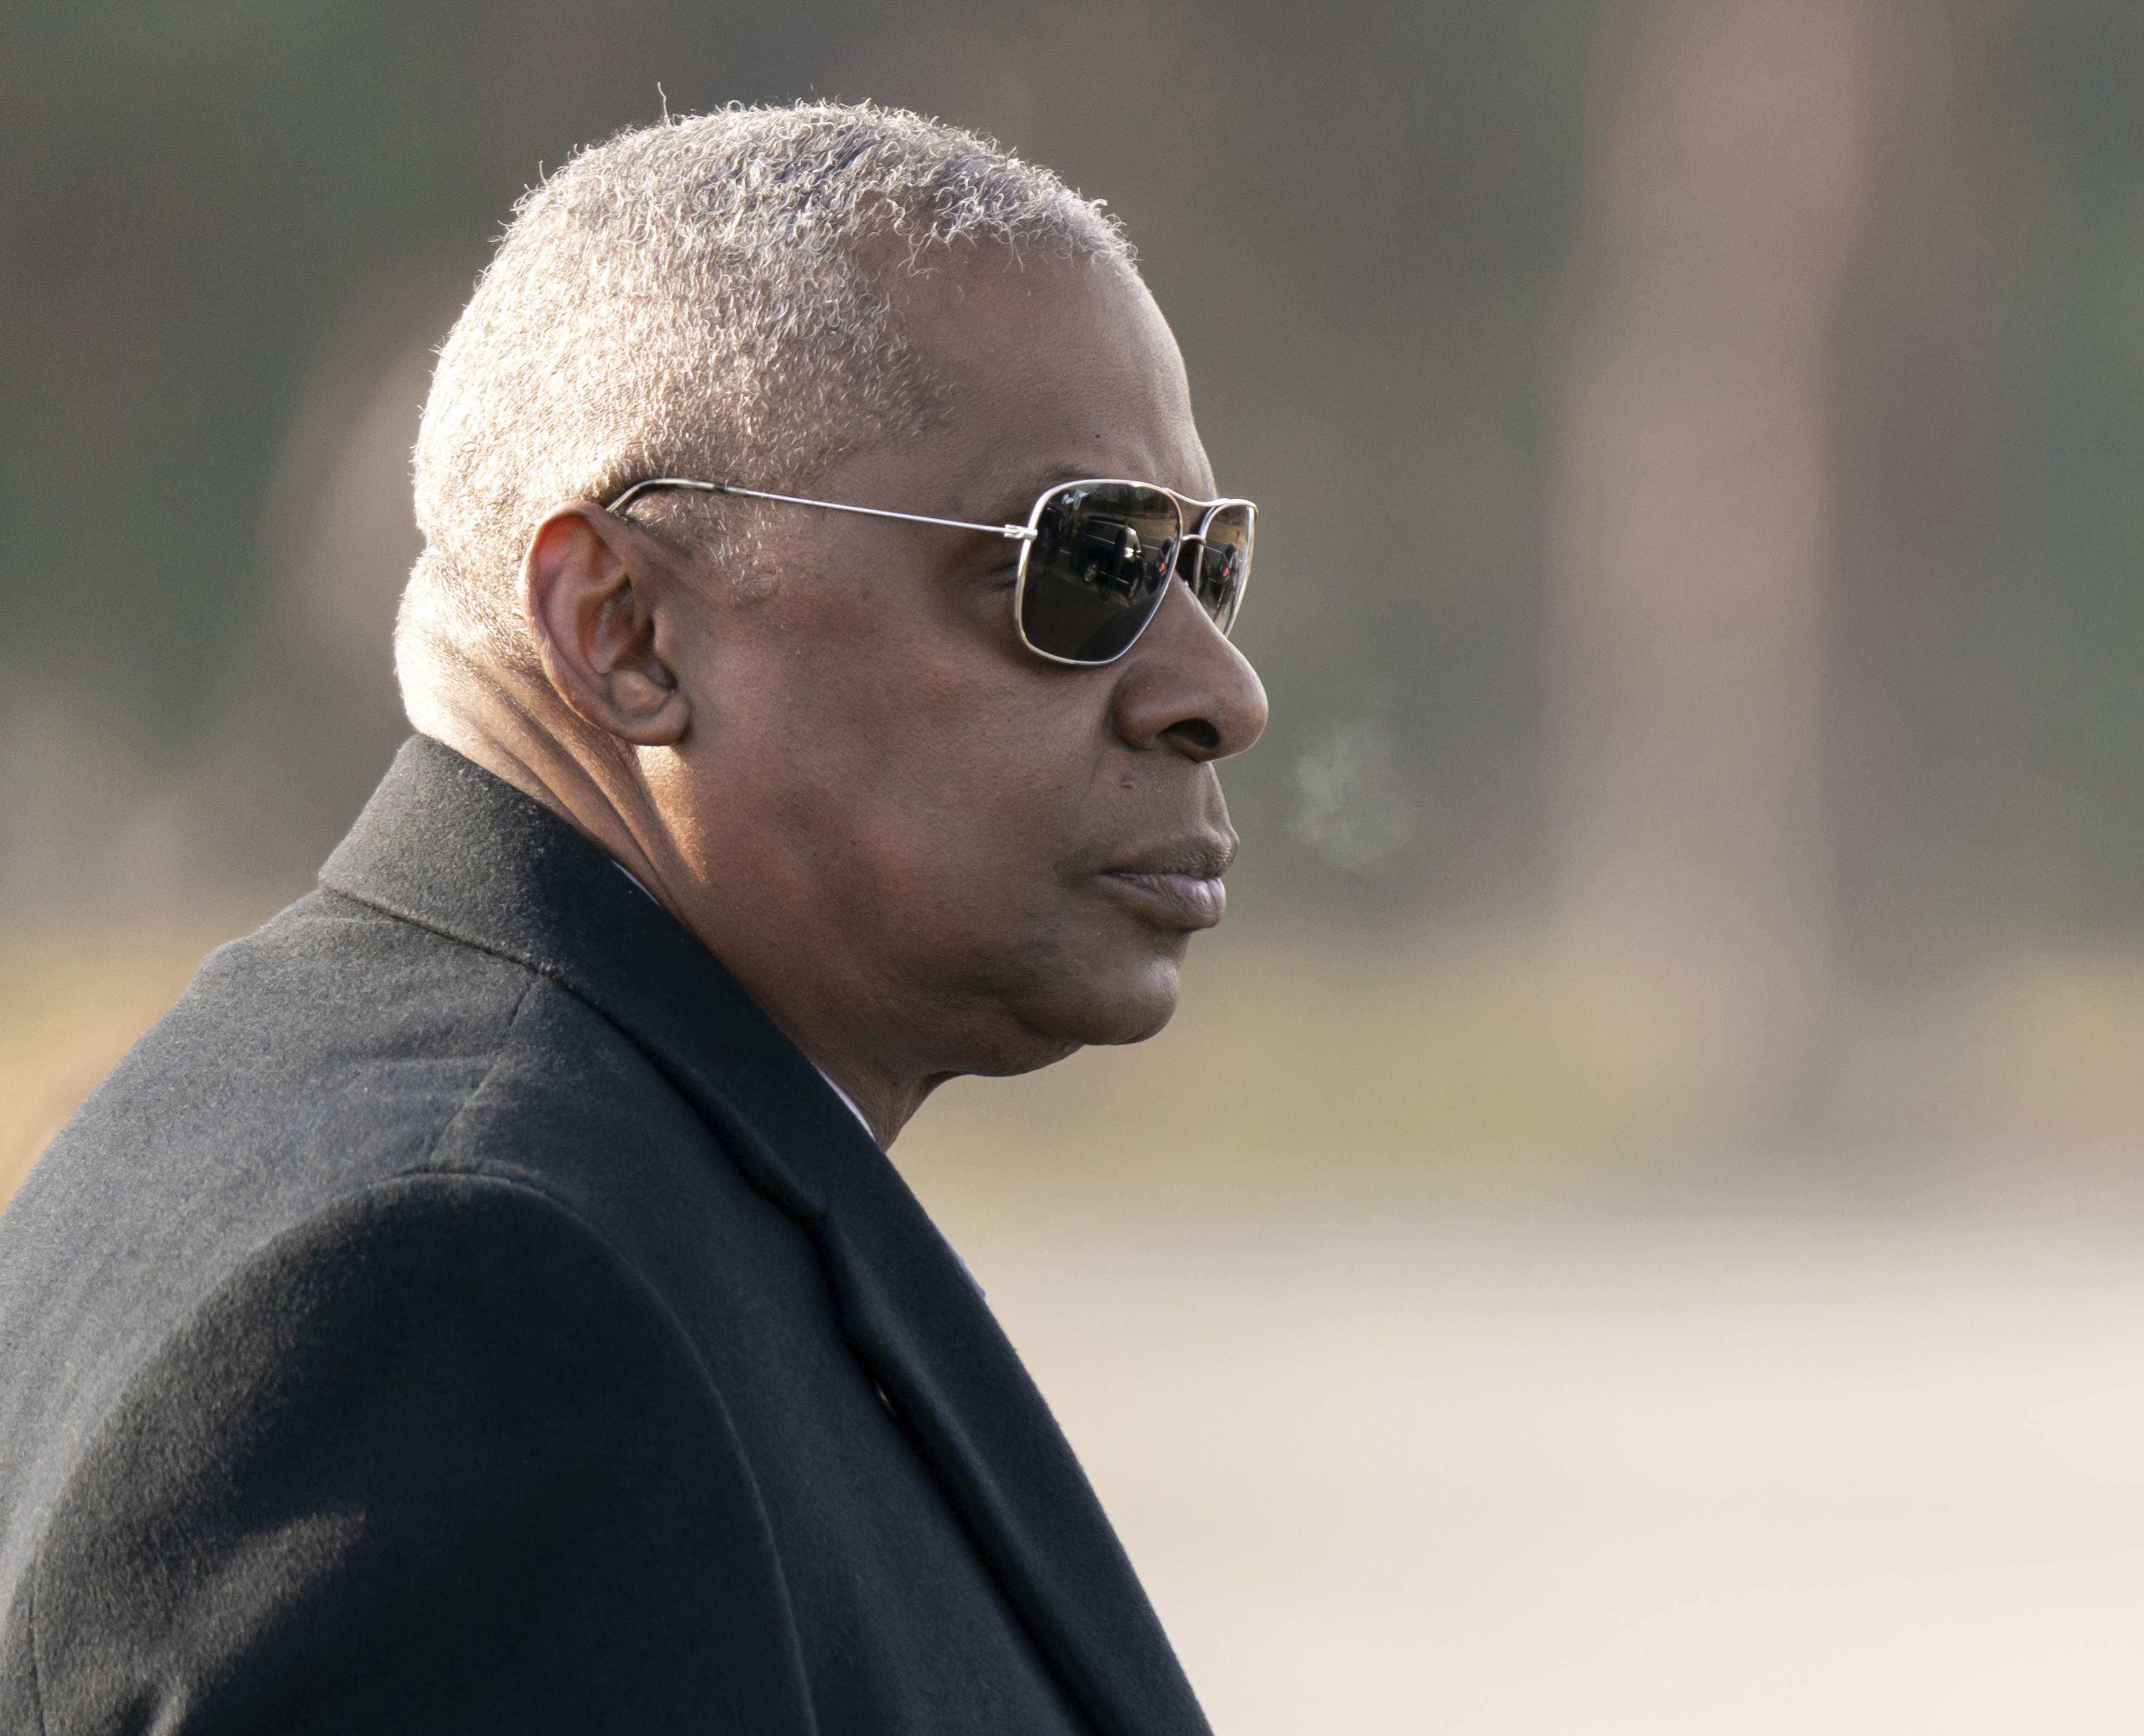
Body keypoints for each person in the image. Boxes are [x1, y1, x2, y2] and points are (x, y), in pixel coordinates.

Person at [0, 102, 1265, 1735]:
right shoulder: (459, 1296)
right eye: (1085, 563)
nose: (1214, 692)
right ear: (626, 627)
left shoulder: (434, 1140)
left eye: (1203, 570)